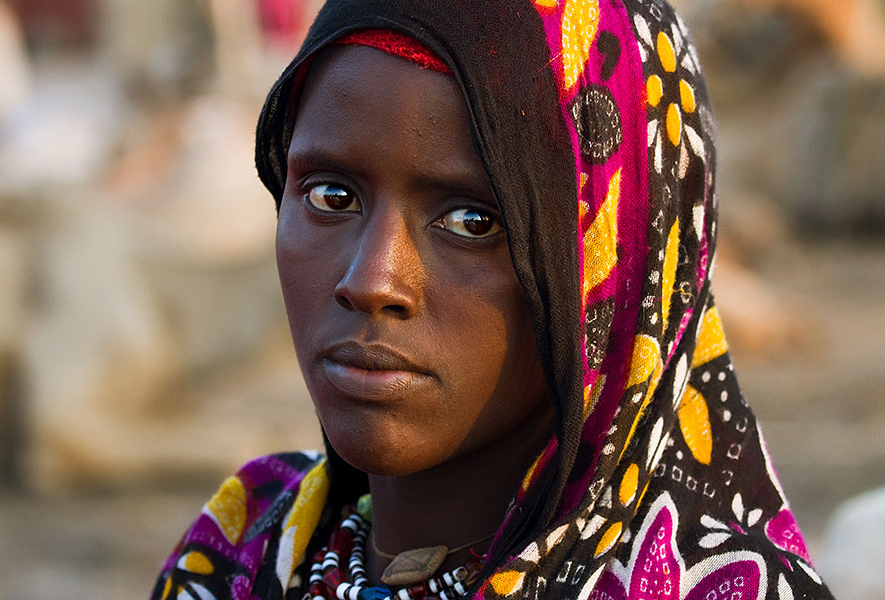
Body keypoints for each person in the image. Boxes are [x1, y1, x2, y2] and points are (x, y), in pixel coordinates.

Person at [150, 1, 834, 599]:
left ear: (613, 268)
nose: (370, 280)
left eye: (474, 222)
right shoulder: (240, 551)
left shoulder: (714, 589)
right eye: (333, 196)